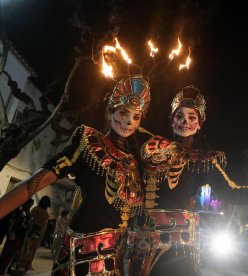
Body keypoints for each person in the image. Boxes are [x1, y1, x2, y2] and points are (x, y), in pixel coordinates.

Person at [137, 86, 248, 275]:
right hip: (141, 242)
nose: (185, 122)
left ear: (199, 124)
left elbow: (232, 191)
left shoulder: (203, 160)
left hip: (178, 245)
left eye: (192, 117)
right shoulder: (149, 147)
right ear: (172, 120)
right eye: (179, 116)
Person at [0, 75, 151, 275]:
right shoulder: (88, 141)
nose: (128, 122)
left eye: (136, 116)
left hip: (117, 262)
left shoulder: (135, 163)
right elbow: (40, 180)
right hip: (82, 257)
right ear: (110, 111)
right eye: (123, 112)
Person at [17, 195, 51, 272]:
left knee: (31, 249)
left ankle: (27, 264)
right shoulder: (38, 210)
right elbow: (31, 219)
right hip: (33, 231)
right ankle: (22, 264)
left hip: (38, 233)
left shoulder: (42, 211)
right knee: (28, 248)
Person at [0, 198, 34, 275]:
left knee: (11, 255)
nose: (29, 206)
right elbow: (17, 224)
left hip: (19, 236)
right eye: (29, 204)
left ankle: (5, 269)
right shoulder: (22, 212)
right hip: (15, 235)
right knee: (7, 254)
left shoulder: (25, 213)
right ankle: (2, 269)